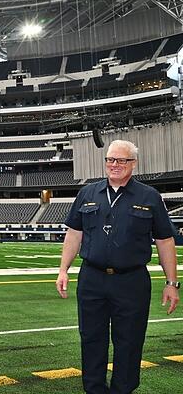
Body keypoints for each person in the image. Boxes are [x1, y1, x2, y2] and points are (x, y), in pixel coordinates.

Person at [57, 139, 179, 394]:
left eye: (121, 160)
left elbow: (165, 241)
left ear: (133, 164)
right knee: (91, 339)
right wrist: (63, 269)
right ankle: (94, 390)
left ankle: (122, 390)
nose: (114, 165)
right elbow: (74, 234)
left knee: (129, 342)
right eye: (110, 159)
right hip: (92, 278)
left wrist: (171, 283)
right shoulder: (87, 194)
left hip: (131, 281)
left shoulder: (149, 196)